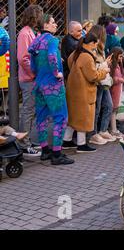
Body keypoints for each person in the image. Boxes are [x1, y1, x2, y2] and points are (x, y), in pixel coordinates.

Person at [28, 14, 74, 165]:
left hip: (39, 84)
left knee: (41, 118)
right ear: (46, 25)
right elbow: (52, 56)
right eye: (53, 22)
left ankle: (45, 151)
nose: (55, 25)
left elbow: (32, 65)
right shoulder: (52, 40)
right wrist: (57, 73)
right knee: (61, 118)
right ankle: (57, 154)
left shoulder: (36, 41)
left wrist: (40, 73)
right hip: (53, 85)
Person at [63, 31, 110, 153]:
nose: (96, 47)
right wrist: (104, 71)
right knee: (82, 118)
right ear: (93, 43)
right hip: (84, 91)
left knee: (73, 118)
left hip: (73, 89)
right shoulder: (87, 56)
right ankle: (81, 144)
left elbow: (69, 64)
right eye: (96, 44)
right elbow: (93, 76)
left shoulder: (76, 53)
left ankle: (66, 140)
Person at [17, 5, 43, 157]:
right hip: (29, 79)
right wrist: (34, 73)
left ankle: (26, 140)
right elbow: (23, 58)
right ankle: (24, 143)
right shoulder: (25, 33)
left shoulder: (29, 32)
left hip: (31, 78)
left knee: (31, 111)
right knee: (28, 111)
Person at [88, 25, 116, 145]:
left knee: (109, 105)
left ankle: (103, 130)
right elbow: (94, 65)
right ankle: (93, 133)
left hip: (103, 80)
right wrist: (105, 64)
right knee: (97, 108)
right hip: (98, 81)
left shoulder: (101, 48)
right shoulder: (93, 48)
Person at [109, 47, 124, 137]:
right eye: (120, 56)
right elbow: (111, 79)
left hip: (118, 89)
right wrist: (120, 79)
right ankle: (113, 130)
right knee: (113, 110)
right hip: (114, 90)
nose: (122, 58)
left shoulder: (117, 65)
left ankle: (114, 129)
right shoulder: (111, 65)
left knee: (115, 110)